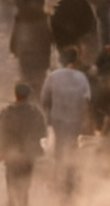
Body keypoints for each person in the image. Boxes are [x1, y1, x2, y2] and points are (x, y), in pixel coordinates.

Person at [0, 80, 46, 206]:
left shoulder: (7, 112)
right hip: (28, 156)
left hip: (11, 155)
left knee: (11, 185)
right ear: (28, 95)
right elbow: (43, 133)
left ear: (16, 94)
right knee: (25, 187)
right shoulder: (35, 113)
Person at [39, 51, 93, 181]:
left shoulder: (52, 77)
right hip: (76, 122)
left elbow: (44, 100)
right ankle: (72, 180)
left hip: (57, 122)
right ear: (74, 62)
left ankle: (59, 181)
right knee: (73, 151)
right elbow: (87, 100)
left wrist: (49, 116)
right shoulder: (82, 77)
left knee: (59, 153)